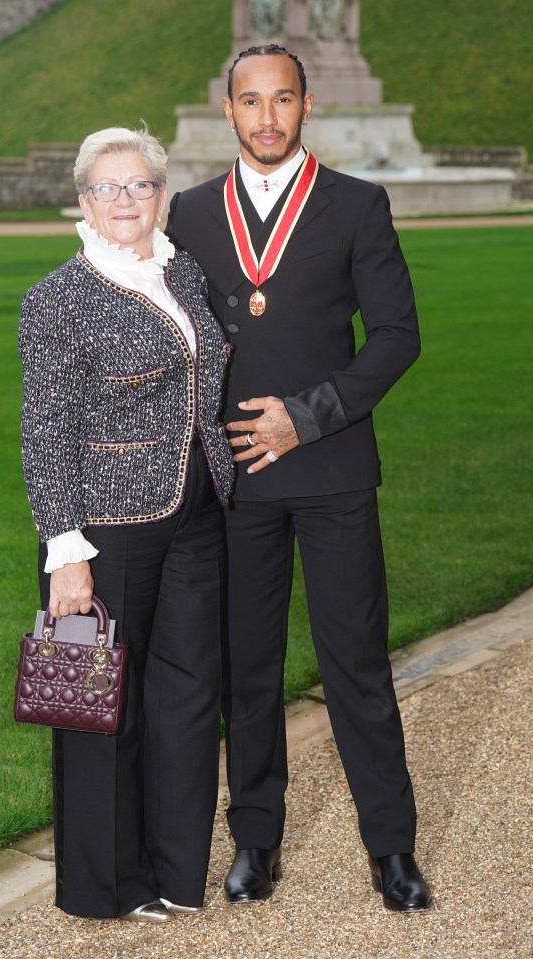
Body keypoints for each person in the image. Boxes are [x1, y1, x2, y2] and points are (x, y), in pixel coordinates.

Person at [166, 45, 432, 912]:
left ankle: (391, 847)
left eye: (283, 99)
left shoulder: (357, 204)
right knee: (249, 670)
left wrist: (306, 415)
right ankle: (255, 840)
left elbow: (397, 335)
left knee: (356, 661)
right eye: (252, 101)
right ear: (230, 111)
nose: (268, 117)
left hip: (332, 469)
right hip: (237, 479)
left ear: (306, 106)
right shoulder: (192, 214)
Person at [19, 127, 234, 923]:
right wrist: (64, 552)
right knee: (99, 702)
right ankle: (109, 884)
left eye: (138, 185)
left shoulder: (183, 271)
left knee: (185, 698)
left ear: (160, 195)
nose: (123, 201)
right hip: (106, 529)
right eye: (106, 188)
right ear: (83, 201)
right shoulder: (57, 298)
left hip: (197, 514)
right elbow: (44, 431)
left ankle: (178, 873)